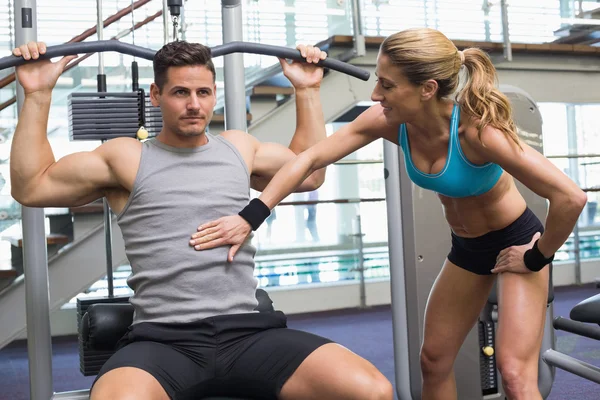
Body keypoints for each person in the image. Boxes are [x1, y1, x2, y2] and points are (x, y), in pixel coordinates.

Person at [190, 28, 587, 400]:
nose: (376, 92)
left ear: (427, 89)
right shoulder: (389, 122)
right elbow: (308, 159)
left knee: (515, 373)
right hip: (467, 249)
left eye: (388, 84)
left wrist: (537, 256)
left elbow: (570, 197)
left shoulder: (479, 133)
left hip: (516, 243)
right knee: (432, 362)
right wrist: (251, 216)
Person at [10, 41, 393, 400]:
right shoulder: (126, 158)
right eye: (180, 93)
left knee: (372, 391)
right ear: (156, 96)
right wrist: (39, 95)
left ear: (213, 94)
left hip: (249, 334)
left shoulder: (240, 147)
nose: (194, 105)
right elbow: (32, 187)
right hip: (163, 341)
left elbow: (308, 172)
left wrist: (307, 92)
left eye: (203, 93)